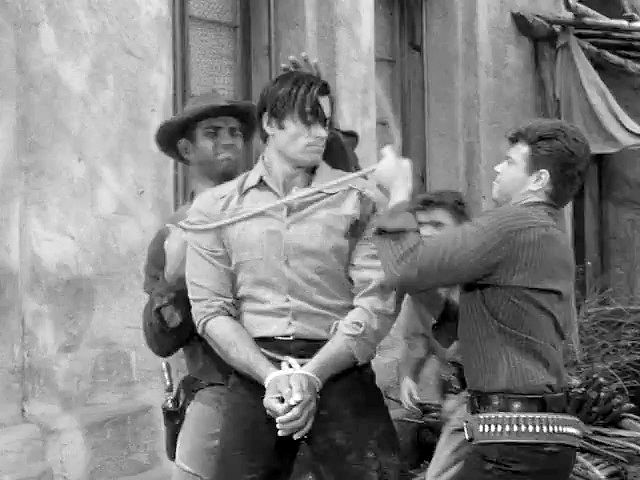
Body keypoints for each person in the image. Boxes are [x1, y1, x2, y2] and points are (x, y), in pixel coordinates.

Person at [181, 70, 402, 479]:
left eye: (325, 122)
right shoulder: (215, 208)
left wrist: (313, 375)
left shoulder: (361, 198)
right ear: (270, 123)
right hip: (255, 370)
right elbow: (210, 310)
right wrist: (270, 378)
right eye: (308, 120)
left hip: (339, 365)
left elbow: (377, 301)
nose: (320, 133)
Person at [372, 119, 591, 480]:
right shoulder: (546, 232)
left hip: (512, 446)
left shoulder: (512, 225)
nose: (497, 168)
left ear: (538, 180)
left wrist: (397, 192)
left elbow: (405, 266)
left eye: (510, 162)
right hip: (533, 441)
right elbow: (472, 328)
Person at [142, 90, 256, 480]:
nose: (228, 140)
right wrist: (173, 283)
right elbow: (160, 342)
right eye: (213, 132)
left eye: (235, 132)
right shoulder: (172, 233)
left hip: (290, 382)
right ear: (186, 149)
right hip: (220, 390)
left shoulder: (268, 212)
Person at [393, 191, 470, 480]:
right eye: (421, 225)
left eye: (437, 225)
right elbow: (416, 339)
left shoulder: (478, 274)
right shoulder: (423, 278)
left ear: (463, 231)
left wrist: (460, 397)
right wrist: (408, 376)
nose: (426, 232)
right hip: (453, 390)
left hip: (491, 394)